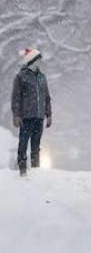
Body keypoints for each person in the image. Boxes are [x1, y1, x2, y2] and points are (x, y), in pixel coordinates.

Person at [11, 48, 51, 177]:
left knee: (36, 144)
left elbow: (47, 97)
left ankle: (35, 168)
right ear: (32, 61)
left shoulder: (42, 77)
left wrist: (48, 114)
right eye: (38, 60)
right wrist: (16, 115)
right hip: (26, 117)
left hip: (39, 117)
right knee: (23, 142)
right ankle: (22, 167)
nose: (40, 63)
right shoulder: (21, 76)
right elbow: (16, 97)